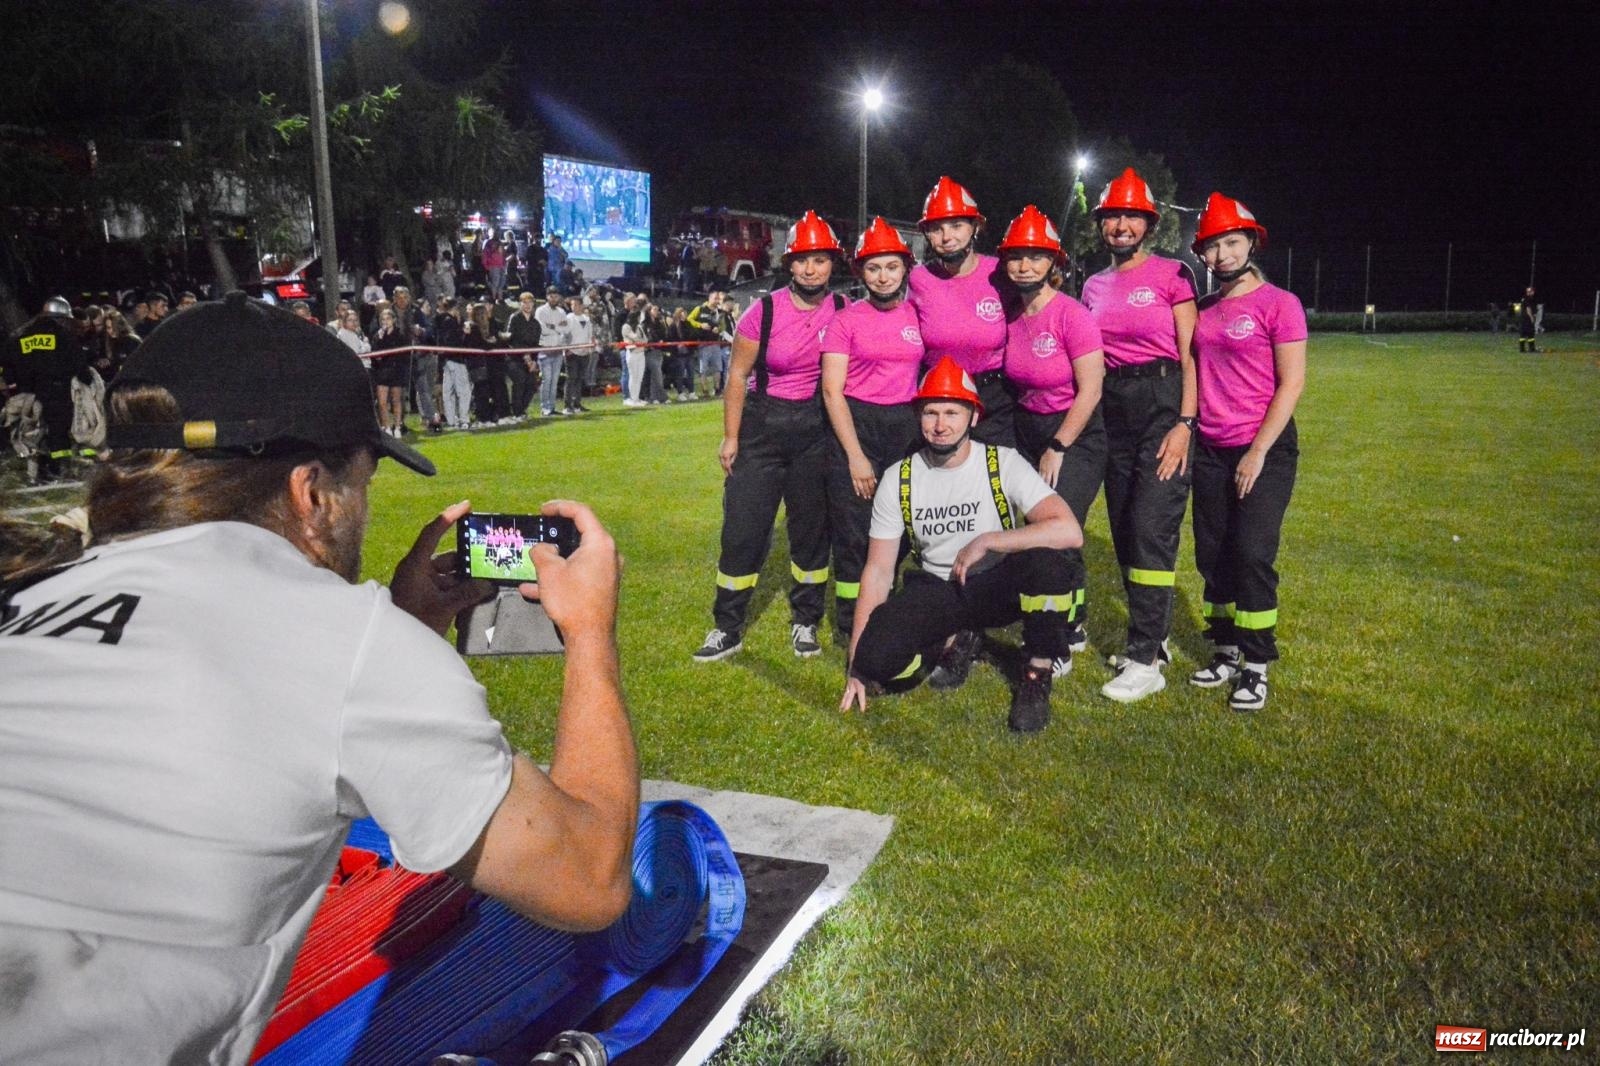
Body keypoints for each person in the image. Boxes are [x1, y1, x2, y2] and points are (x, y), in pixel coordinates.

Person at [0, 292, 639, 1063]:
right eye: (362, 483)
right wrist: (591, 636)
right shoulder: (344, 638)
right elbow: (588, 878)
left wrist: (402, 627)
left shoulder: (29, 592)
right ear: (310, 493)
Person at [840, 357, 1084, 733]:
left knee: (1048, 564)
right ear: (918, 417)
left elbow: (1069, 529)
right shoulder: (898, 477)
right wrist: (858, 663)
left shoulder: (1001, 462)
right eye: (931, 413)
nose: (940, 425)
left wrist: (989, 541)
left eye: (952, 412)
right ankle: (953, 639)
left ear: (973, 417)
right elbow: (878, 570)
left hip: (997, 586)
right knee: (876, 662)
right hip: (940, 588)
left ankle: (1036, 673)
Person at [693, 211, 848, 663]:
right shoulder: (763, 311)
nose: (811, 269)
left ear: (831, 264)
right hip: (763, 431)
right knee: (742, 530)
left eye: (820, 260)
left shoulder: (844, 311)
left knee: (811, 534)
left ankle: (805, 621)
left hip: (815, 434)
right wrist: (730, 437)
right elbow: (737, 377)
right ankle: (727, 627)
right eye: (802, 260)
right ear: (789, 263)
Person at [1079, 168, 1199, 702]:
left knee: (1152, 526)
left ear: (1147, 223)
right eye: (1112, 217)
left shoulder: (1174, 275)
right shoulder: (1092, 285)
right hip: (1111, 410)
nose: (1121, 226)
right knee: (1127, 530)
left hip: (1161, 404)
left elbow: (1193, 356)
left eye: (1131, 216)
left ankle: (1145, 658)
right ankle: (1157, 634)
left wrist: (1185, 423)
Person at [1187, 193, 1307, 712]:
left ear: (1251, 242)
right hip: (1211, 450)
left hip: (1264, 450)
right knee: (1212, 554)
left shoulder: (1281, 303)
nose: (1223, 255)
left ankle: (1255, 666)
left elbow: (1292, 383)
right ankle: (1226, 648)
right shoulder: (1204, 310)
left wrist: (1257, 452)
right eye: (1212, 247)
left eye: (1232, 242)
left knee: (1253, 553)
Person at [997, 205, 1106, 681]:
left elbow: (1092, 388)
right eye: (1016, 256)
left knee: (1054, 535)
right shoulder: (1008, 315)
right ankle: (1074, 620)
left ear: (1053, 262)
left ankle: (1053, 641)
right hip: (1027, 431)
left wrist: (1058, 445)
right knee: (1050, 537)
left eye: (1036, 257)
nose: (1024, 265)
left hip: (1073, 436)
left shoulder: (1072, 315)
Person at [819, 217, 924, 643]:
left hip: (906, 426)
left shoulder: (919, 313)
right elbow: (831, 391)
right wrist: (856, 456)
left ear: (905, 269)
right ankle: (851, 624)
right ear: (861, 272)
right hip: (856, 426)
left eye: (891, 267)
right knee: (853, 532)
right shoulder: (847, 320)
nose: (883, 276)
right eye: (873, 268)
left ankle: (886, 606)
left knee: (900, 528)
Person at [910, 176, 1015, 446]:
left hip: (994, 399)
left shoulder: (1002, 274)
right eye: (937, 228)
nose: (947, 237)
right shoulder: (917, 279)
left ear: (974, 227)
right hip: (939, 399)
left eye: (956, 225)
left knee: (995, 484)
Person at [3, 296, 93, 484]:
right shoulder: (64, 335)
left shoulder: (21, 335)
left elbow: (7, 365)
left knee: (32, 433)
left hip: (27, 394)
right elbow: (79, 364)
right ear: (62, 318)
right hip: (57, 391)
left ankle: (37, 473)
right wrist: (87, 380)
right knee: (58, 432)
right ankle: (60, 469)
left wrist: (12, 383)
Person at [368, 306, 409, 437]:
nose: (385, 321)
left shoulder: (400, 335)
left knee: (396, 400)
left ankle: (397, 426)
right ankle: (386, 427)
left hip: (396, 370)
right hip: (382, 371)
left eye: (388, 318)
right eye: (383, 319)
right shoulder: (377, 335)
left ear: (394, 320)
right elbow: (375, 354)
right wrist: (380, 338)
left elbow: (403, 353)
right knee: (382, 401)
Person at [464, 301, 506, 426]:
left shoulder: (490, 326)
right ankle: (483, 418)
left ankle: (491, 416)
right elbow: (478, 345)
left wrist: (494, 341)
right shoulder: (472, 327)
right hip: (477, 365)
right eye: (479, 313)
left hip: (489, 364)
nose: (482, 316)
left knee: (490, 391)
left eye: (484, 313)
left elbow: (496, 343)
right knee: (481, 392)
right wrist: (491, 342)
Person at [500, 291, 540, 421]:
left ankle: (521, 409)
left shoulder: (535, 323)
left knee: (532, 384)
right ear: (520, 304)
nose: (527, 305)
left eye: (530, 303)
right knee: (520, 380)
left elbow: (535, 344)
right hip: (514, 358)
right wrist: (524, 355)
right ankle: (517, 412)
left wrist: (533, 360)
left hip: (530, 359)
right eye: (525, 302)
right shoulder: (515, 318)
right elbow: (511, 339)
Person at [434, 297, 471, 429]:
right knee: (463, 391)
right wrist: (464, 332)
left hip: (446, 361)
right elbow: (452, 341)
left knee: (448, 392)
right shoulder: (450, 321)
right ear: (454, 308)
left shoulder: (441, 320)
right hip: (456, 359)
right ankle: (464, 419)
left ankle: (451, 420)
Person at [688, 291, 732, 399]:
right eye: (715, 298)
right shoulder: (700, 309)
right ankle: (704, 390)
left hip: (715, 343)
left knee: (718, 368)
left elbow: (723, 326)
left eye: (718, 299)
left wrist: (719, 329)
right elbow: (689, 319)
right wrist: (700, 325)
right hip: (703, 343)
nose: (717, 301)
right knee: (703, 369)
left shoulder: (720, 312)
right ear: (709, 298)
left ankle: (717, 389)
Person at [534, 287, 571, 418]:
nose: (554, 298)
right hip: (545, 349)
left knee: (554, 381)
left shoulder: (561, 311)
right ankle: (545, 408)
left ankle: (552, 406)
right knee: (546, 380)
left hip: (558, 349)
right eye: (552, 296)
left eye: (556, 296)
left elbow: (566, 328)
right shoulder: (540, 310)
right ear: (547, 297)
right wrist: (558, 328)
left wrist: (553, 326)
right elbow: (542, 329)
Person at [565, 296, 595, 414]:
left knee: (579, 379)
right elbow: (564, 334)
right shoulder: (568, 318)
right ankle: (567, 405)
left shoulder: (586, 319)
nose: (574, 307)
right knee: (571, 379)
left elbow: (590, 335)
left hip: (584, 353)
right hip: (572, 353)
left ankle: (577, 404)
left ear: (581, 305)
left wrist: (589, 348)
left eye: (576, 304)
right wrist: (567, 349)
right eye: (572, 305)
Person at [1516, 285, 1542, 352]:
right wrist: (1531, 318)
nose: (1532, 293)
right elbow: (1528, 309)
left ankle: (1522, 349)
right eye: (1531, 291)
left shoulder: (1523, 298)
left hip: (1522, 318)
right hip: (1527, 318)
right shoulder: (1528, 299)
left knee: (1522, 334)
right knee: (1530, 333)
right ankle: (1532, 349)